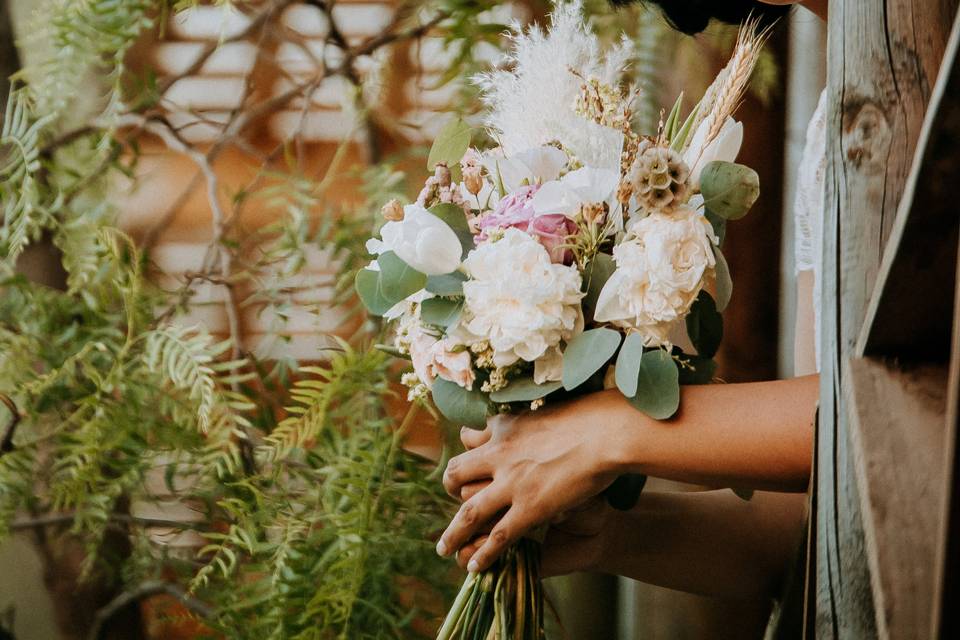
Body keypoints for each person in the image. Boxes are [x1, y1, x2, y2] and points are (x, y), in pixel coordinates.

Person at [434, 0, 831, 618]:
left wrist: (608, 430)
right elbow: (826, 509)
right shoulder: (832, 140)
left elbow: (897, 409)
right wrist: (612, 536)